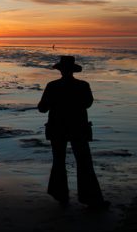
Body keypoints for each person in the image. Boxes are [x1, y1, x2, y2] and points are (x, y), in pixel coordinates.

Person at [38, 56, 110, 209]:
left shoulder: (52, 86)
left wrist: (56, 102)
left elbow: (42, 108)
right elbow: (88, 104)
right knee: (84, 162)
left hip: (57, 128)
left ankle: (60, 195)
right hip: (78, 127)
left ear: (61, 70)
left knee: (59, 161)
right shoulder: (83, 85)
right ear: (72, 70)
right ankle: (91, 198)